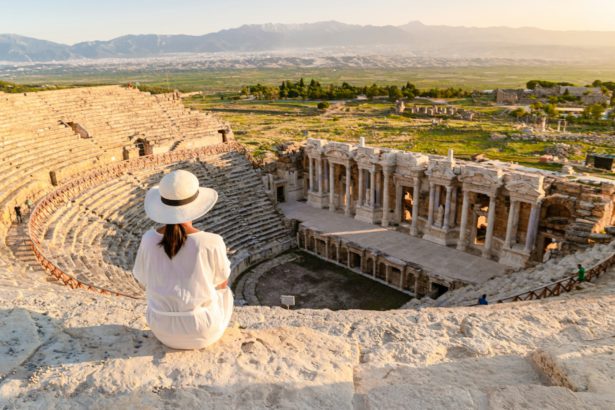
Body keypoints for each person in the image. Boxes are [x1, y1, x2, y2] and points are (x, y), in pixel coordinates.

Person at [133, 170, 233, 350]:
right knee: (225, 294)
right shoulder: (211, 241)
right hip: (203, 329)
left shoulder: (148, 239)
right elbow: (222, 283)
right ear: (195, 205)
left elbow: (142, 278)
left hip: (161, 328)